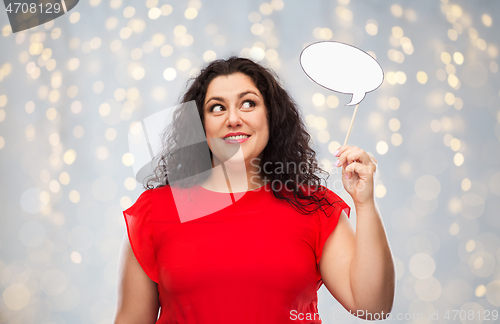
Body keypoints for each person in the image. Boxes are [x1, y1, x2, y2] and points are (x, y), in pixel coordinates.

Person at [114, 56, 395, 324]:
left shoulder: (313, 205)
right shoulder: (156, 210)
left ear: (271, 117)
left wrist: (365, 204)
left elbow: (373, 307)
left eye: (248, 103)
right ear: (200, 125)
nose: (233, 119)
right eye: (217, 107)